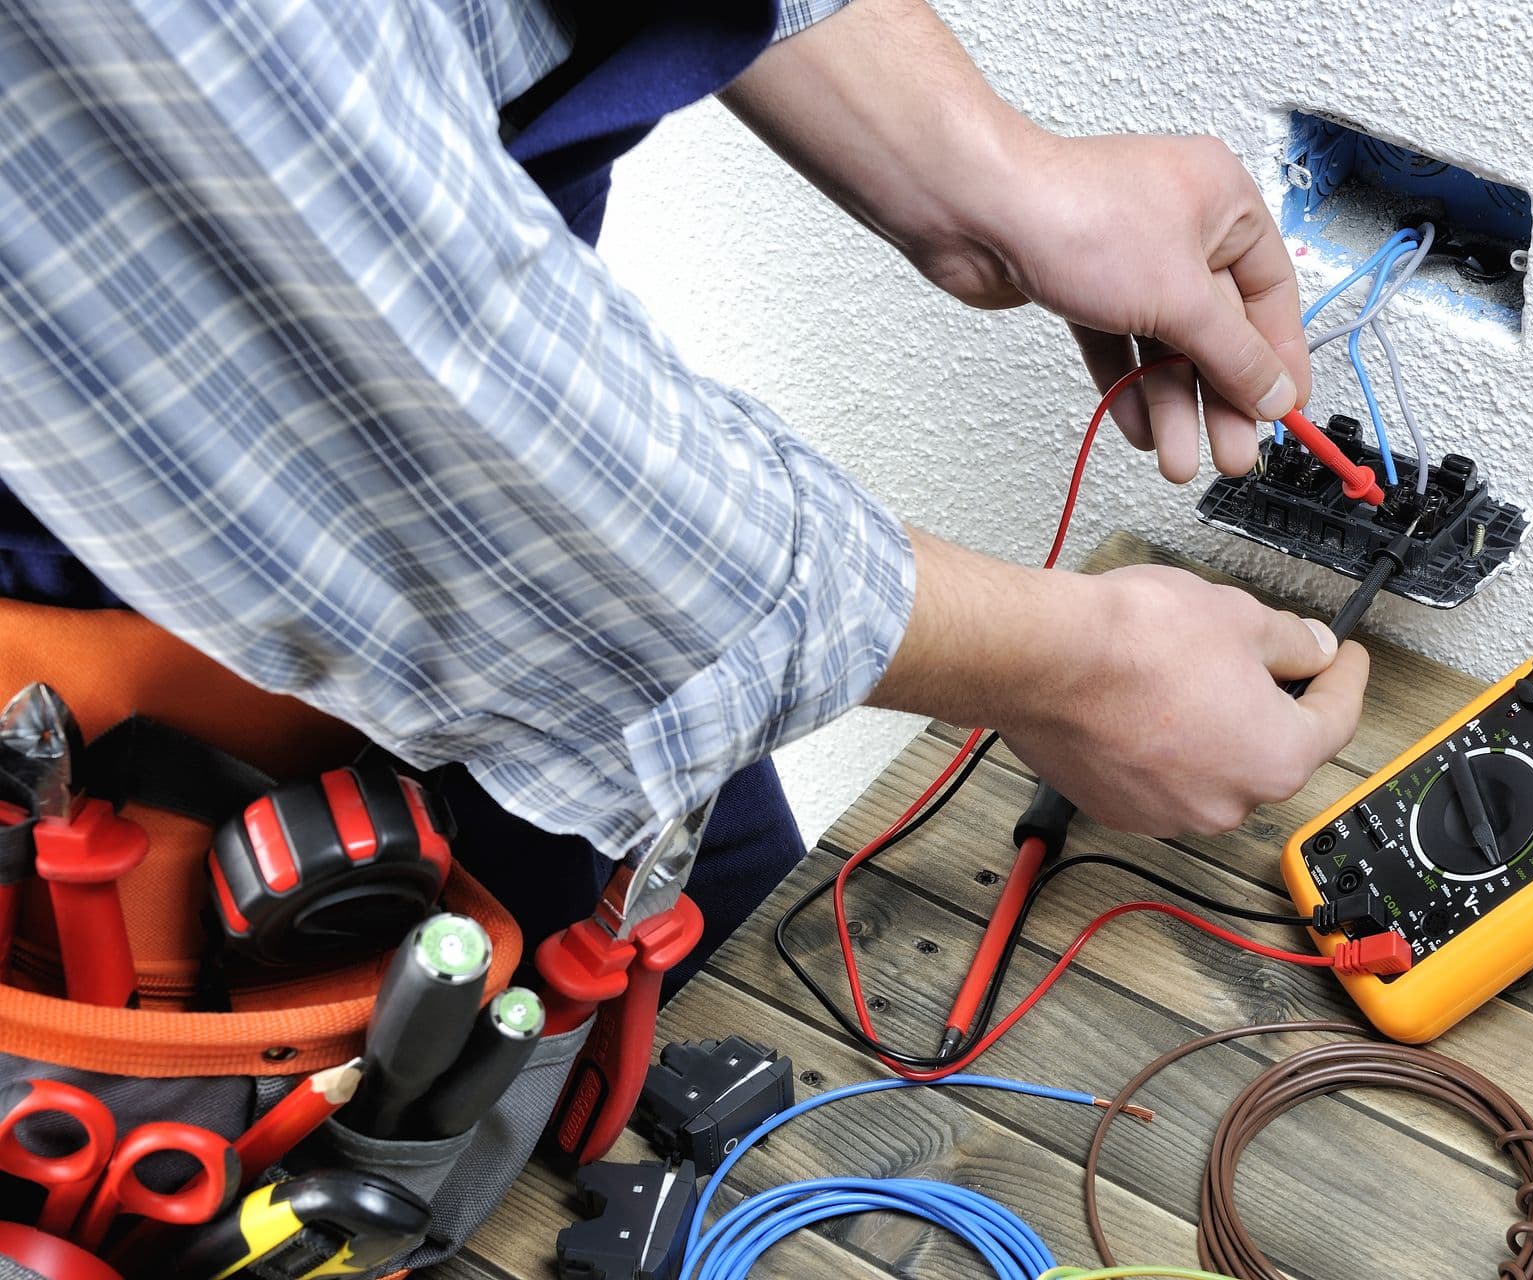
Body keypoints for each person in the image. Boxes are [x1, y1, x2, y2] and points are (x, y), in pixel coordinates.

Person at [0, 0, 1368, 962]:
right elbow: (454, 426)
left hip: (518, 555)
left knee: (710, 960)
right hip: (150, 675)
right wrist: (1073, 667)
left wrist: (992, 173)